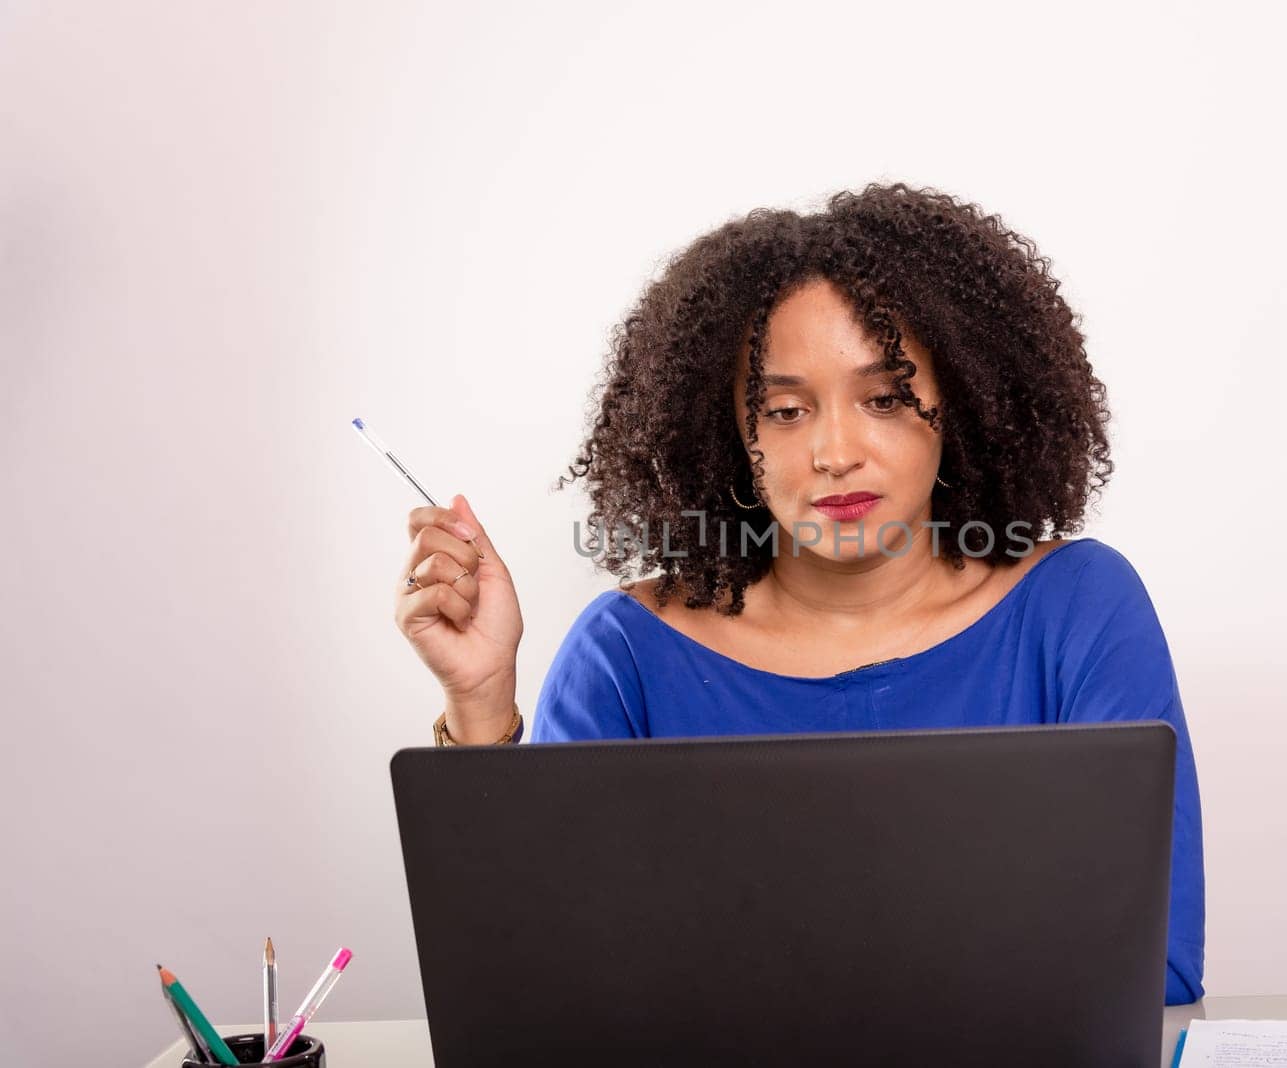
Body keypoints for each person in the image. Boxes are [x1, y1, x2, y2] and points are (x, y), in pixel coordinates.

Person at [392, 182, 1206, 1005]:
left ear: (961, 401)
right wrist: (481, 699)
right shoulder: (626, 654)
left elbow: (1155, 969)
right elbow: (534, 990)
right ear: (729, 437)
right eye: (783, 410)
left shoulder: (1078, 609)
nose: (835, 451)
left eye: (885, 398)